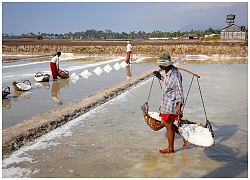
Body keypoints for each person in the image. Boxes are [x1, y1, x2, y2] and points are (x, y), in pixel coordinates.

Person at [153, 52, 187, 154]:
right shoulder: (168, 73)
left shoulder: (175, 74)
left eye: (161, 64)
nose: (159, 66)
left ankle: (171, 148)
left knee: (167, 125)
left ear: (166, 64)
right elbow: (168, 83)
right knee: (167, 124)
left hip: (171, 105)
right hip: (166, 104)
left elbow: (179, 90)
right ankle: (183, 137)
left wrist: (179, 106)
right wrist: (159, 77)